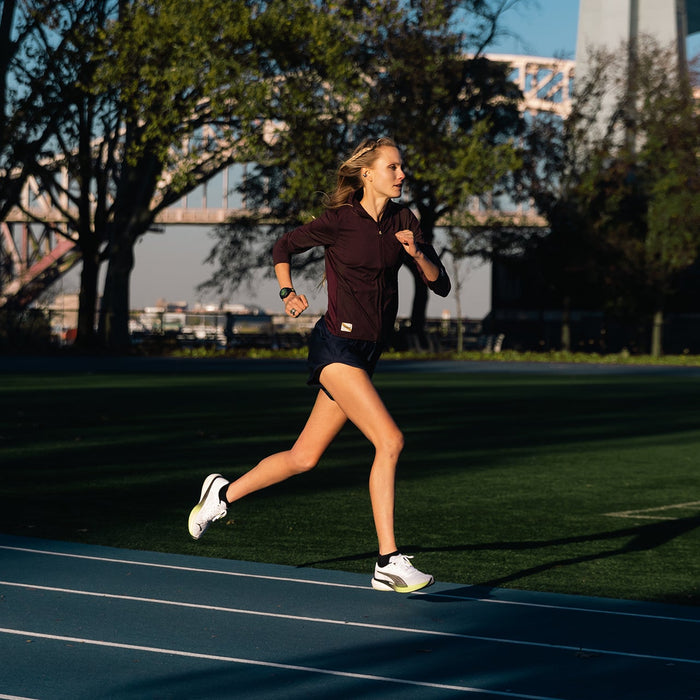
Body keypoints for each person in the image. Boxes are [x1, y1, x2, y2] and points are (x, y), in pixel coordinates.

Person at [188, 137, 451, 593]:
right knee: (389, 440)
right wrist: (288, 292)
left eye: (402, 168)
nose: (402, 175)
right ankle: (388, 561)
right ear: (367, 173)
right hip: (336, 347)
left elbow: (440, 284)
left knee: (303, 458)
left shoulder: (404, 221)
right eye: (393, 167)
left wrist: (417, 254)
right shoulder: (339, 221)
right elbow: (282, 247)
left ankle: (221, 494)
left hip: (368, 353)